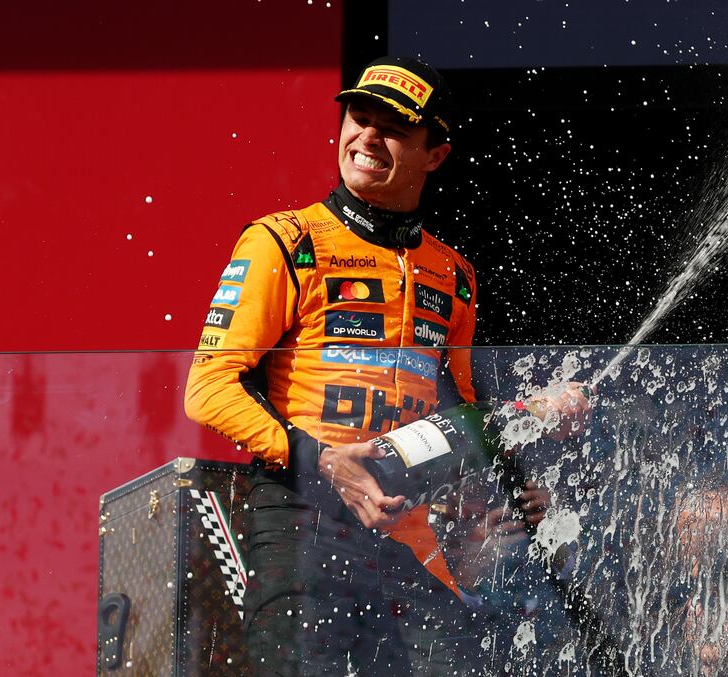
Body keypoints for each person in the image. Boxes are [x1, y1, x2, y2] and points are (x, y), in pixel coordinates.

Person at [185, 55, 518, 676]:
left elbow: (459, 414)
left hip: (410, 535)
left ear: (435, 155)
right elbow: (207, 389)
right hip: (303, 518)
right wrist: (325, 462)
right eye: (358, 117)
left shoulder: (457, 275)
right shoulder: (285, 240)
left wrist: (510, 464)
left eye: (391, 127)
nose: (365, 136)